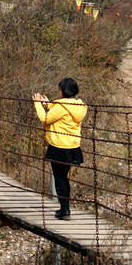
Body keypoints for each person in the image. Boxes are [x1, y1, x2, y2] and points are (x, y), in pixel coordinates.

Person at [33, 78, 87, 220]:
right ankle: (65, 208)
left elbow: (45, 119)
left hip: (59, 146)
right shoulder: (79, 106)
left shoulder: (61, 106)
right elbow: (64, 112)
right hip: (73, 146)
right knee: (64, 177)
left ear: (63, 90)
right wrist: (50, 105)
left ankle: (64, 210)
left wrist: (38, 105)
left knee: (59, 177)